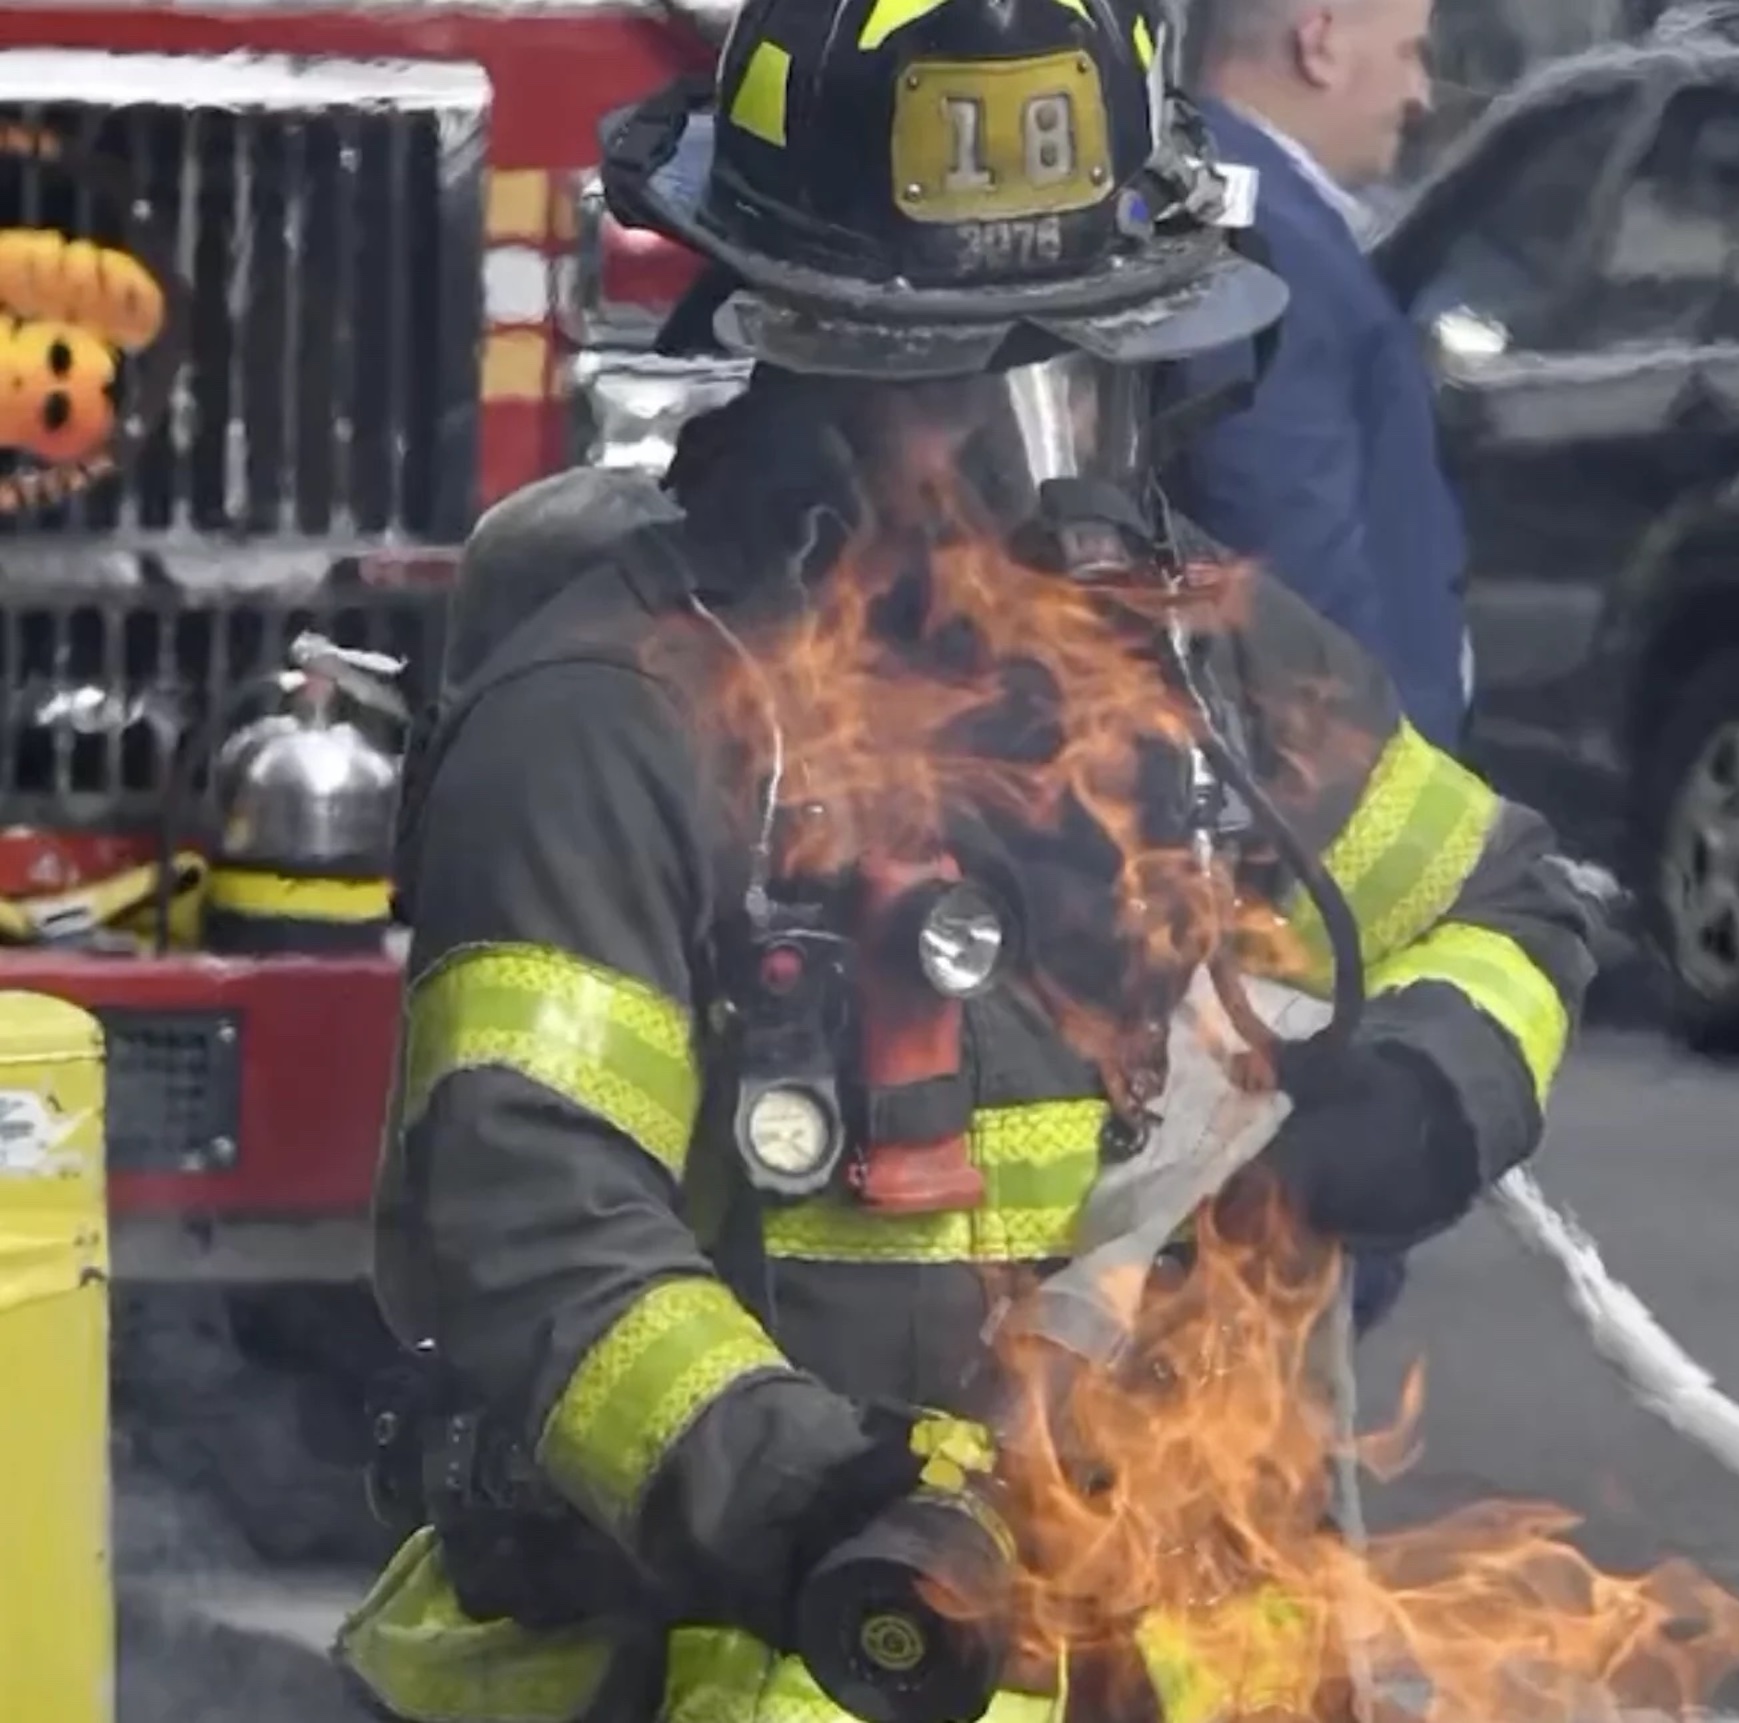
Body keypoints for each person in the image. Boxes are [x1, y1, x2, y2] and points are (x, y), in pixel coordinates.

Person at [331, 2, 1595, 1720]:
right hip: (765, 1666)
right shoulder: (620, 720)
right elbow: (534, 1222)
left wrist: (1397, 1108)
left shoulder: (1210, 660)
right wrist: (825, 1500)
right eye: (957, 387)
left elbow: (1501, 904)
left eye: (1079, 380)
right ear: (809, 368)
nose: (1032, 468)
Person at [1166, 0, 1471, 754]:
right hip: (1340, 795)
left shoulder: (1222, 194)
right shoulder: (1265, 240)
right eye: (1410, 53)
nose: (1420, 95)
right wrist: (1366, 762)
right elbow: (1290, 550)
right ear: (1321, 44)